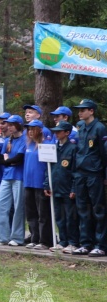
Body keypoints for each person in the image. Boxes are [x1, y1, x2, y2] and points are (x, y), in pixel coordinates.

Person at [71, 99, 107, 257]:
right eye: (79, 109)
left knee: (98, 209)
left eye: (83, 109)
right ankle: (86, 243)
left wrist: (103, 173)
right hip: (81, 174)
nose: (80, 112)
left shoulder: (99, 128)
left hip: (94, 174)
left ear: (91, 111)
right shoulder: (81, 128)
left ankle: (101, 244)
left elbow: (104, 153)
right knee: (82, 209)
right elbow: (79, 151)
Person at [0, 115, 27, 246]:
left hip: (19, 177)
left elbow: (19, 158)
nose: (9, 127)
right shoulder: (7, 140)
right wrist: (8, 162)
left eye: (12, 124)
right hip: (6, 177)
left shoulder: (24, 139)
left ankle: (17, 238)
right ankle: (3, 237)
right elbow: (1, 160)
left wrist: (8, 161)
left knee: (18, 208)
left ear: (18, 125)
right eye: (8, 124)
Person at [45, 121, 78, 253]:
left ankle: (73, 242)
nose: (56, 134)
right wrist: (47, 184)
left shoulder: (73, 149)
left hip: (67, 188)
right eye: (55, 131)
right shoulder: (53, 148)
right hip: (55, 188)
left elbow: (76, 170)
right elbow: (48, 168)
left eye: (59, 131)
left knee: (71, 217)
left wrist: (74, 188)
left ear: (67, 133)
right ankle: (62, 241)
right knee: (59, 216)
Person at [23, 119, 52, 250]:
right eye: (28, 129)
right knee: (31, 213)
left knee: (43, 214)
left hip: (40, 183)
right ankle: (34, 238)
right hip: (28, 183)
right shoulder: (29, 145)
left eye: (32, 129)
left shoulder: (45, 144)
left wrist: (47, 183)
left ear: (40, 130)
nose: (30, 132)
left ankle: (45, 240)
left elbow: (49, 166)